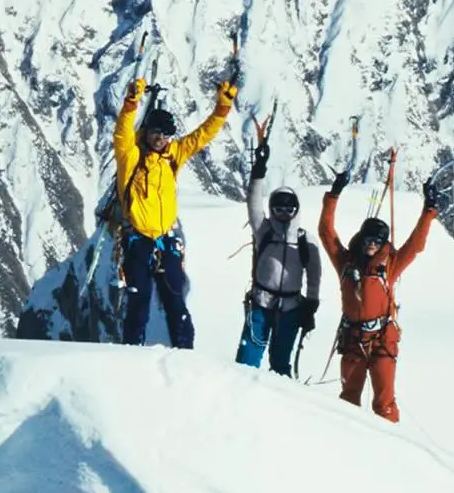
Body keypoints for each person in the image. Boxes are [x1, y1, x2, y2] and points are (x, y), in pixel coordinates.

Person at [113, 70, 235, 347]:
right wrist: (131, 103)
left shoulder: (173, 155)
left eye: (167, 134)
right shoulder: (131, 157)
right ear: (146, 132)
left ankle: (185, 358)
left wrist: (222, 108)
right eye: (157, 132)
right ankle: (130, 356)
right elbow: (121, 135)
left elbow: (201, 136)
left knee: (176, 306)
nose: (162, 138)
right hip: (137, 240)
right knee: (138, 305)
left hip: (166, 240)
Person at [318, 172, 438, 423]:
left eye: (377, 241)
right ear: (360, 240)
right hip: (353, 339)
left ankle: (389, 448)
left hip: (381, 340)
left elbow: (415, 245)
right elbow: (326, 233)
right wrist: (333, 195)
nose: (371, 244)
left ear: (383, 243)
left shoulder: (389, 266)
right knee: (349, 399)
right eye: (368, 240)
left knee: (384, 404)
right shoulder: (345, 263)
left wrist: (429, 211)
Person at [236, 133, 321, 375]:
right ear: (272, 208)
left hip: (291, 307)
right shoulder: (264, 231)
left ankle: (281, 406)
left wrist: (312, 303)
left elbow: (314, 275)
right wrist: (259, 172)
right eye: (278, 208)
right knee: (247, 360)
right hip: (261, 303)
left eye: (289, 208)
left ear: (296, 210)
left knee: (280, 363)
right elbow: (253, 205)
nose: (284, 213)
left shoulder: (305, 239)